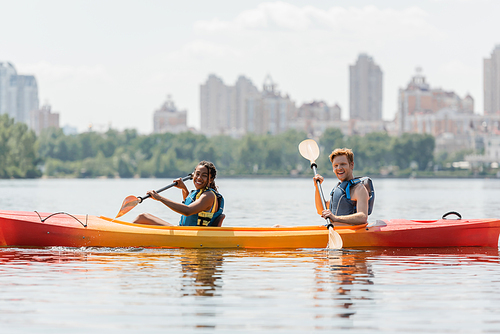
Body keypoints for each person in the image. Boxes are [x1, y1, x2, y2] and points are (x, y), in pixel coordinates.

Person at [133, 161, 224, 227]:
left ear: (211, 179)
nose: (199, 178)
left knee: (142, 217)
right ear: (193, 175)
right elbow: (189, 203)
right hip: (184, 231)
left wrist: (160, 198)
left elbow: (188, 211)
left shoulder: (208, 196)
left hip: (191, 236)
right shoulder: (201, 194)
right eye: (197, 174)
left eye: (204, 175)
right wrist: (184, 189)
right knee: (143, 217)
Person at [313, 148, 374, 226]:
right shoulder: (338, 189)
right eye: (336, 165)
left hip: (350, 233)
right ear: (333, 168)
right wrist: (317, 187)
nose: (339, 168)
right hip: (334, 230)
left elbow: (362, 217)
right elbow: (321, 210)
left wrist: (335, 218)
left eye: (343, 164)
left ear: (351, 165)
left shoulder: (359, 189)